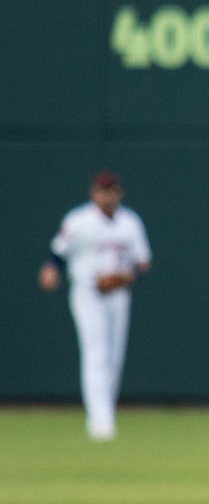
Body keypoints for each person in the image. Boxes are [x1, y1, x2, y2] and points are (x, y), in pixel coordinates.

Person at [38, 170, 152, 441]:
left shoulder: (130, 222)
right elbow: (57, 253)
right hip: (88, 292)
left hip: (118, 293)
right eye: (102, 190)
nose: (107, 194)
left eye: (111, 189)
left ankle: (105, 413)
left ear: (119, 192)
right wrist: (50, 270)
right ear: (94, 192)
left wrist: (126, 275)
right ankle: (100, 421)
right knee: (96, 353)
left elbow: (143, 260)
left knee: (114, 359)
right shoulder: (79, 220)